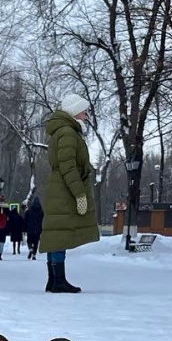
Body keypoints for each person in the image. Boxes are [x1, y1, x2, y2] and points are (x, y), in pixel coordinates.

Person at [40, 94, 99, 292]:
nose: (86, 115)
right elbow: (69, 167)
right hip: (64, 190)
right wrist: (79, 194)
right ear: (74, 112)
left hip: (59, 188)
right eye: (84, 111)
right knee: (59, 236)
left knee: (56, 234)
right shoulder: (67, 133)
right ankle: (58, 281)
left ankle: (54, 280)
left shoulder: (63, 131)